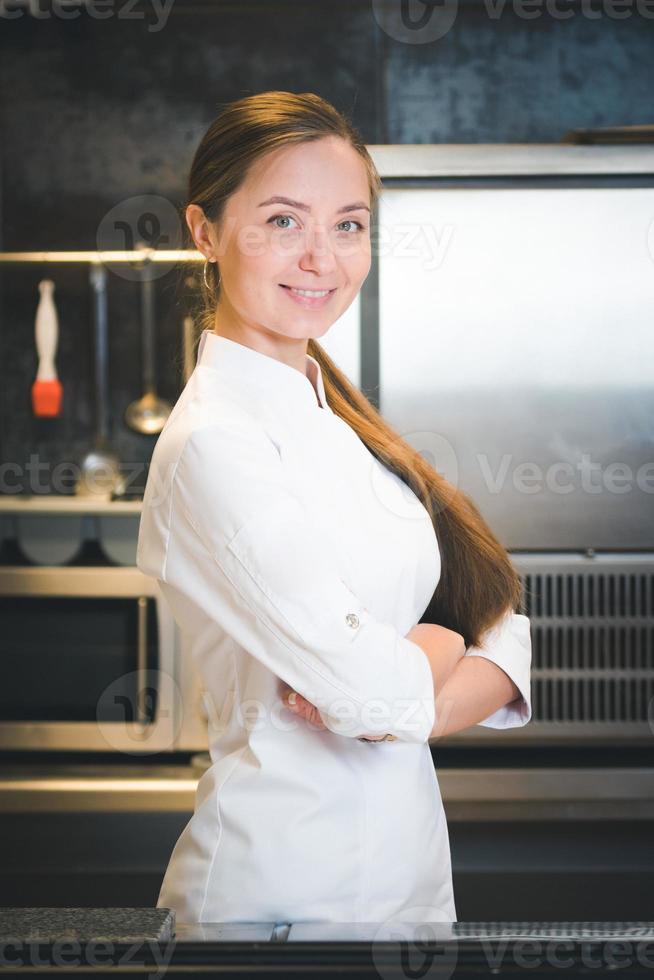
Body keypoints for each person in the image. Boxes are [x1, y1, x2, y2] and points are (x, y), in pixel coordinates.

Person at [136, 90, 532, 926]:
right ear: (204, 232)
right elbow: (380, 690)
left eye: (348, 225)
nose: (322, 257)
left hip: (408, 891)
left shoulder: (342, 423)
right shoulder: (217, 444)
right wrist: (443, 642)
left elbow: (495, 624)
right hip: (279, 905)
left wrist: (419, 666)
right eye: (284, 221)